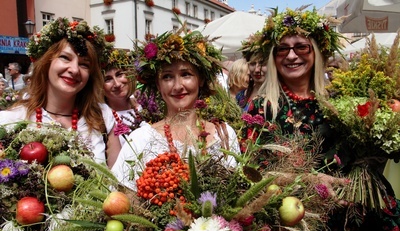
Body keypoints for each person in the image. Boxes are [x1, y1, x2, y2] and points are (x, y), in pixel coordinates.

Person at [242, 6, 400, 231]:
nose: (291, 56)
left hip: (361, 220)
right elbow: (252, 171)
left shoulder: (343, 98)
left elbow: (368, 147)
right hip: (300, 225)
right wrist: (308, 179)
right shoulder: (262, 108)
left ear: (316, 52)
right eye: (282, 49)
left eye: (301, 47)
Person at [112, 29, 240, 192]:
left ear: (200, 79)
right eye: (167, 77)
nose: (178, 86)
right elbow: (121, 198)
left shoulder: (224, 135)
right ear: (158, 85)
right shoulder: (141, 140)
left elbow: (238, 192)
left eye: (186, 74)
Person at [0, 17, 121, 167]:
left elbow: (118, 184)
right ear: (47, 62)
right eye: (65, 58)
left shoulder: (102, 117)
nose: (74, 69)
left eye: (84, 64)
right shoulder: (13, 120)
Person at [101, 47, 145, 146]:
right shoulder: (101, 117)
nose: (117, 84)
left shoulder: (144, 108)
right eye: (107, 79)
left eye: (119, 74)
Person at [236, 38, 268, 112]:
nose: (257, 70)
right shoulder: (240, 96)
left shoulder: (280, 97)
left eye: (262, 63)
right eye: (252, 64)